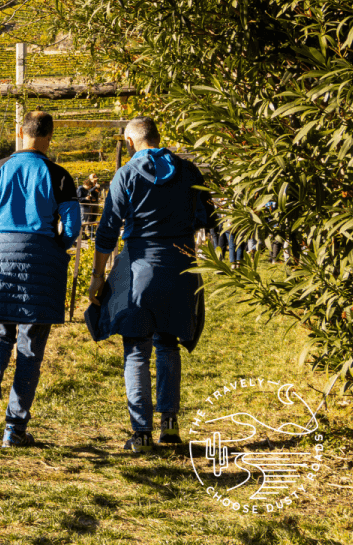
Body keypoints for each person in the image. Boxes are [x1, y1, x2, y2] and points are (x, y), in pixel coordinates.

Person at [87, 116, 215, 453]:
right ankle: (170, 427)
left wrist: (98, 277)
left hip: (139, 268)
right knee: (168, 344)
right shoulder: (188, 171)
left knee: (136, 348)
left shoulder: (126, 174)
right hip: (181, 267)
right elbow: (208, 216)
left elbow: (107, 231)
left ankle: (141, 433)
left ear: (129, 143)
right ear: (158, 137)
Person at [0, 111, 82, 447]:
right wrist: (55, 248)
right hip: (41, 261)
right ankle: (14, 430)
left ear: (20, 132)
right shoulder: (59, 175)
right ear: (50, 136)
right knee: (30, 349)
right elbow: (73, 226)